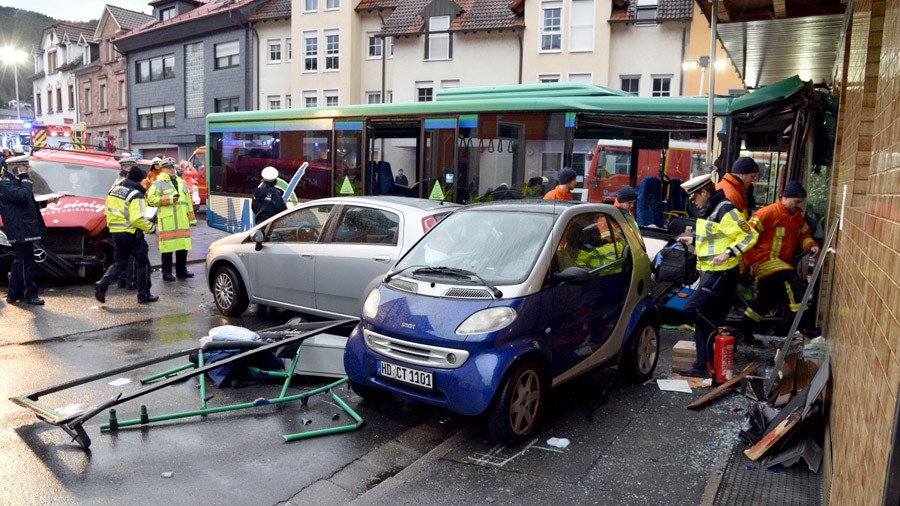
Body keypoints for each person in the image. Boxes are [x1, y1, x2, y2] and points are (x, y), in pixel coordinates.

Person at [677, 174, 759, 378]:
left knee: (692, 309)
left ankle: (723, 335)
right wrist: (693, 240)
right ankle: (702, 366)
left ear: (705, 192)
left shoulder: (725, 209)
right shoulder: (709, 210)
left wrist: (729, 253)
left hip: (722, 273)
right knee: (703, 318)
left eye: (695, 197)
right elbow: (715, 238)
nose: (693, 202)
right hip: (710, 272)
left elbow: (750, 235)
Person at [739, 181, 821, 342]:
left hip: (780, 262)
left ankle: (743, 333)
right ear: (785, 197)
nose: (798, 205)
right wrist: (752, 261)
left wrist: (811, 245)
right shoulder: (767, 213)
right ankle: (804, 325)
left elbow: (804, 234)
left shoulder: (796, 216)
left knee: (764, 301)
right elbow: (745, 236)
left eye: (800, 202)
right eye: (796, 201)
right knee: (794, 283)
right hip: (765, 259)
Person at [94, 165, 158, 304]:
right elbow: (137, 219)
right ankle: (143, 295)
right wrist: (153, 229)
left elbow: (108, 211)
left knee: (120, 262)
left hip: (116, 232)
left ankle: (103, 283)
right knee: (143, 263)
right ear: (140, 181)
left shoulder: (113, 190)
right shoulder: (136, 195)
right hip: (131, 233)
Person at [0, 156, 48, 305]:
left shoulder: (15, 182)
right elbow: (22, 197)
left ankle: (14, 294)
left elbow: (25, 203)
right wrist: (25, 178)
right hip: (19, 228)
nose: (27, 169)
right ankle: (30, 294)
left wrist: (46, 201)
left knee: (21, 260)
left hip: (23, 226)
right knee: (26, 261)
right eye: (24, 167)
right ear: (16, 167)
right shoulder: (5, 183)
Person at [147, 158, 197, 281]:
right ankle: (167, 272)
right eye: (169, 168)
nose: (172, 170)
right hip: (168, 221)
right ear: (163, 169)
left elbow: (187, 202)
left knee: (183, 247)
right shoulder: (158, 183)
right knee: (167, 248)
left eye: (173, 167)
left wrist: (191, 219)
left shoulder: (181, 182)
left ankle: (181, 270)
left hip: (182, 220)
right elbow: (150, 200)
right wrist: (169, 199)